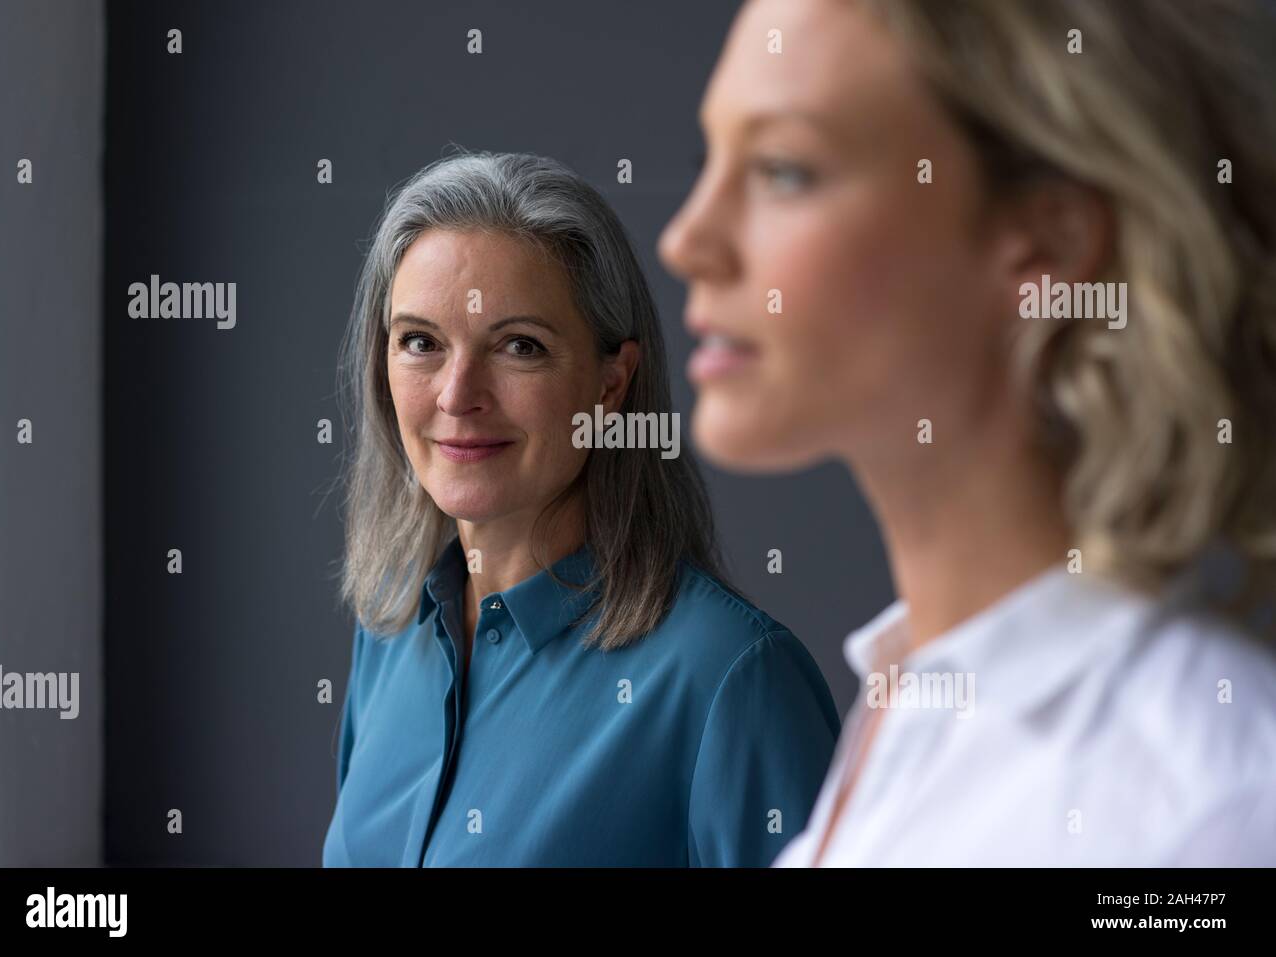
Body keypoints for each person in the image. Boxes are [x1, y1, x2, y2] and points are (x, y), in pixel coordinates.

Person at [658, 0, 1276, 865]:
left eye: (783, 170)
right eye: (708, 159)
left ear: (1044, 244)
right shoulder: (901, 710)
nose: (687, 239)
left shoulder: (1211, 808)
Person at [323, 150, 840, 867]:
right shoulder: (387, 628)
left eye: (519, 346)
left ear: (610, 384)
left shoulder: (731, 679)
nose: (456, 395)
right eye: (421, 342)